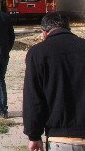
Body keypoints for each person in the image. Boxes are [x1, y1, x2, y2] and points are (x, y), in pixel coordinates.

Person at [23, 12, 85, 151]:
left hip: (61, 137)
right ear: (69, 28)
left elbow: (33, 98)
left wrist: (34, 135)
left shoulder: (38, 52)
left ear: (44, 33)